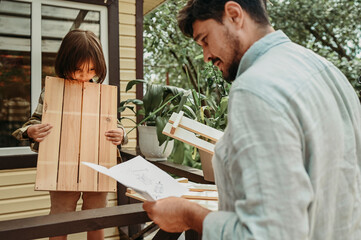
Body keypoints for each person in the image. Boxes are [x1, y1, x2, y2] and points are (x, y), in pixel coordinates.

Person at [143, 0, 361, 239]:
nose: (205, 56)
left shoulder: (255, 88)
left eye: (205, 39)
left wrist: (188, 215)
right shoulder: (329, 72)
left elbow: (267, 234)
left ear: (234, 15)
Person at [12, 29, 128, 240]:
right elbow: (30, 124)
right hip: (61, 166)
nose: (85, 76)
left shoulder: (102, 94)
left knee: (96, 218)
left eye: (92, 69)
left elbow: (116, 125)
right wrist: (31, 131)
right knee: (60, 219)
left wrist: (121, 133)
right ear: (65, 63)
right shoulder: (52, 92)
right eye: (78, 70)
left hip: (98, 165)